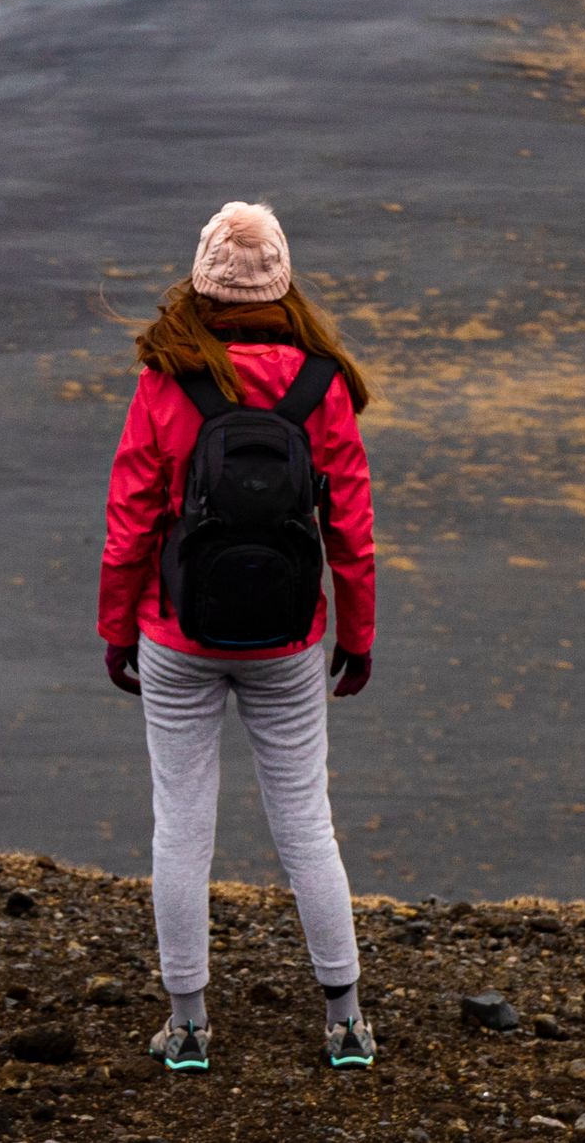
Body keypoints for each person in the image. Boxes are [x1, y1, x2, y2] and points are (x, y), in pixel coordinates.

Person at [99, 201, 380, 1073]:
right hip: (292, 639)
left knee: (181, 827)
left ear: (202, 281)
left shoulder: (165, 380)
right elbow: (353, 528)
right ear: (282, 281)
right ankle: (346, 1024)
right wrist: (357, 636)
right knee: (306, 823)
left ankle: (187, 1027)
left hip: (177, 634)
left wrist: (118, 632)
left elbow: (131, 521)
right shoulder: (322, 384)